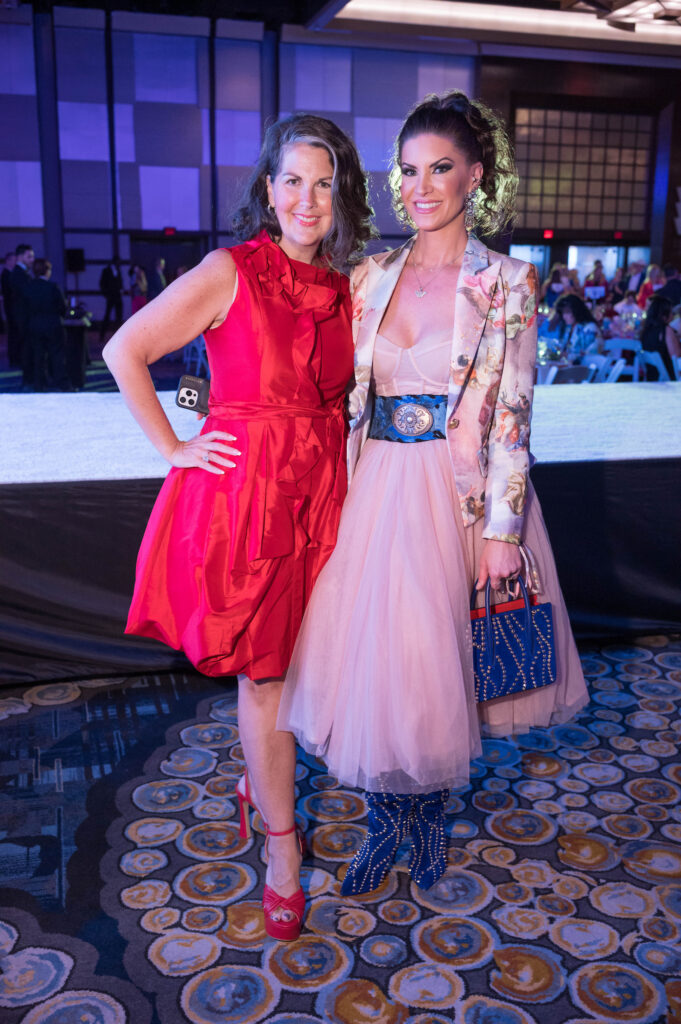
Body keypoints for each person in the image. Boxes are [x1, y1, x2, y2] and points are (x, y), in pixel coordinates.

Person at [279, 91, 588, 896]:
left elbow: (513, 414)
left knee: (433, 663)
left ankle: (424, 817)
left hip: (458, 499)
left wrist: (502, 532)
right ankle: (390, 820)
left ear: (473, 176)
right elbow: (324, 389)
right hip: (373, 489)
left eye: (438, 168)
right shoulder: (367, 274)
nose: (419, 188)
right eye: (407, 171)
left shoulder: (509, 281)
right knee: (384, 664)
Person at [103, 113, 373, 940]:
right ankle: (281, 849)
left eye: (323, 183)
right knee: (264, 677)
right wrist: (176, 447)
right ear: (267, 189)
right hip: (250, 499)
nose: (307, 199)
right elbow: (126, 350)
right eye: (292, 181)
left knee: (310, 666)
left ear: (342, 196)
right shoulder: (229, 269)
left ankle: (262, 784)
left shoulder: (348, 285)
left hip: (325, 492)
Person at [26, 258, 70, 391]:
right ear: (47, 271)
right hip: (53, 325)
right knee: (57, 355)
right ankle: (61, 384)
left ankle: (39, 384)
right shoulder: (53, 287)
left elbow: (24, 307)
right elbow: (62, 307)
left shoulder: (29, 287)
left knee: (38, 356)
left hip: (35, 325)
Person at [9, 244, 35, 388]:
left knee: (27, 348)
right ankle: (28, 379)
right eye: (29, 256)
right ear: (20, 257)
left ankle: (29, 378)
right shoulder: (19, 274)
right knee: (26, 348)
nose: (32, 259)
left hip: (24, 317)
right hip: (24, 318)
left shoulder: (21, 273)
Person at [640, 294, 681, 379]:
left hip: (652, 376)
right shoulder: (666, 330)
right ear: (664, 315)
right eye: (671, 312)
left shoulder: (646, 330)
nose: (672, 315)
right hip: (668, 378)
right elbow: (676, 355)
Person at [553, 293, 602, 362]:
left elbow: (590, 355)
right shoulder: (569, 327)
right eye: (562, 313)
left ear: (576, 311)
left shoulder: (589, 328)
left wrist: (567, 356)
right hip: (569, 365)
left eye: (567, 312)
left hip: (585, 367)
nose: (564, 316)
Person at [99, 260, 124, 341]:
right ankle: (102, 336)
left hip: (118, 296)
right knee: (107, 316)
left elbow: (120, 281)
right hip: (110, 296)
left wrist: (121, 289)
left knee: (119, 317)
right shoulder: (106, 270)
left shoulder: (118, 270)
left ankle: (119, 337)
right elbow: (102, 283)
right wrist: (106, 295)